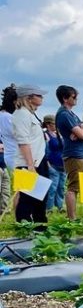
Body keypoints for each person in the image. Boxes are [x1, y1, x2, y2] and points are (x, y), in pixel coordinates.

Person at [55, 85, 83, 220]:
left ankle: (72, 216)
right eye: (73, 97)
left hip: (79, 153)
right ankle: (72, 217)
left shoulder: (71, 114)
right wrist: (82, 132)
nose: (76, 99)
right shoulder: (65, 114)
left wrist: (82, 131)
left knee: (76, 185)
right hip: (74, 153)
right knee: (73, 187)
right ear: (65, 99)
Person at [12, 84, 49, 225]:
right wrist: (29, 165)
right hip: (28, 163)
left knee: (40, 197)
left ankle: (40, 226)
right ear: (29, 97)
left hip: (38, 161)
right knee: (27, 198)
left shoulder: (30, 114)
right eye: (38, 95)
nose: (41, 98)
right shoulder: (21, 114)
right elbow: (23, 142)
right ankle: (24, 226)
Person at [0, 85, 19, 213]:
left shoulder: (4, 116)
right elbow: (20, 134)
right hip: (13, 155)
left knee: (10, 188)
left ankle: (8, 210)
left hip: (7, 157)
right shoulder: (8, 118)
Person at [44, 115, 66, 212]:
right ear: (48, 124)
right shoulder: (45, 135)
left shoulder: (59, 135)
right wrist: (48, 165)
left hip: (62, 165)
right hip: (52, 165)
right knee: (52, 188)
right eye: (54, 124)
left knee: (61, 187)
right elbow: (44, 151)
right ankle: (49, 207)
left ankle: (60, 206)